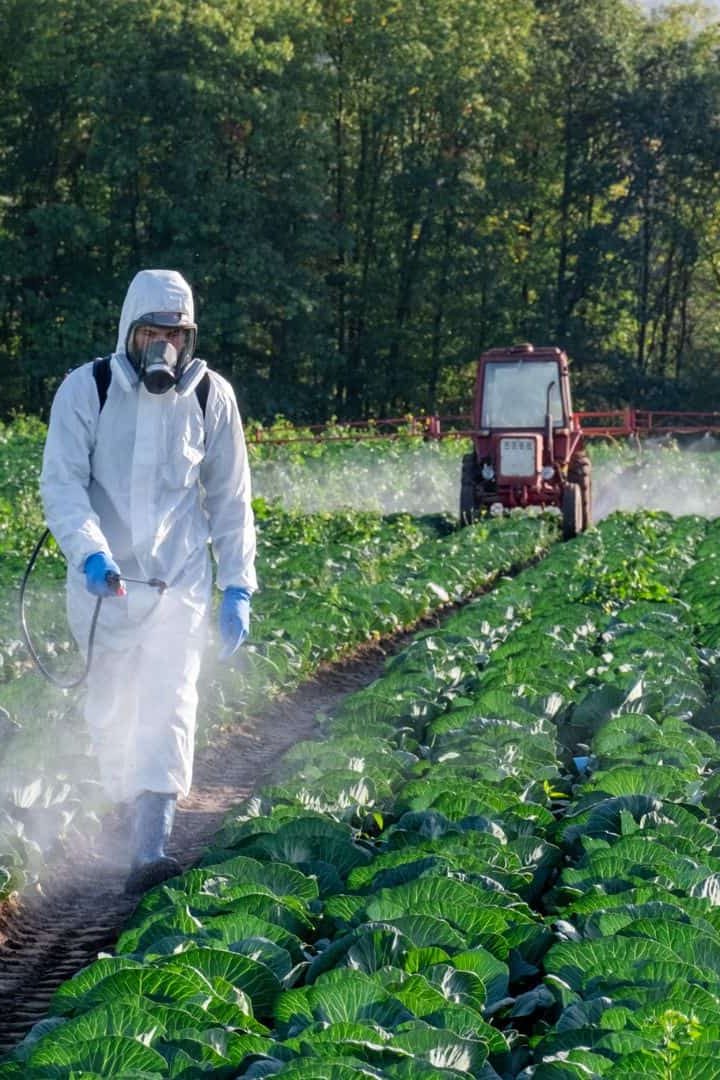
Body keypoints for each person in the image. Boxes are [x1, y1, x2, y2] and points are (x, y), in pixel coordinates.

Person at [40, 269, 257, 894]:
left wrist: (238, 584)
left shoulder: (211, 397)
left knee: (169, 701)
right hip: (103, 582)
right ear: (129, 332)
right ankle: (119, 809)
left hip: (178, 583)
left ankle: (150, 845)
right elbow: (62, 485)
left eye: (174, 335)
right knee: (111, 708)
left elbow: (231, 497)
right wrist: (90, 555)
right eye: (150, 334)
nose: (163, 348)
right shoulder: (89, 390)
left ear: (189, 339)